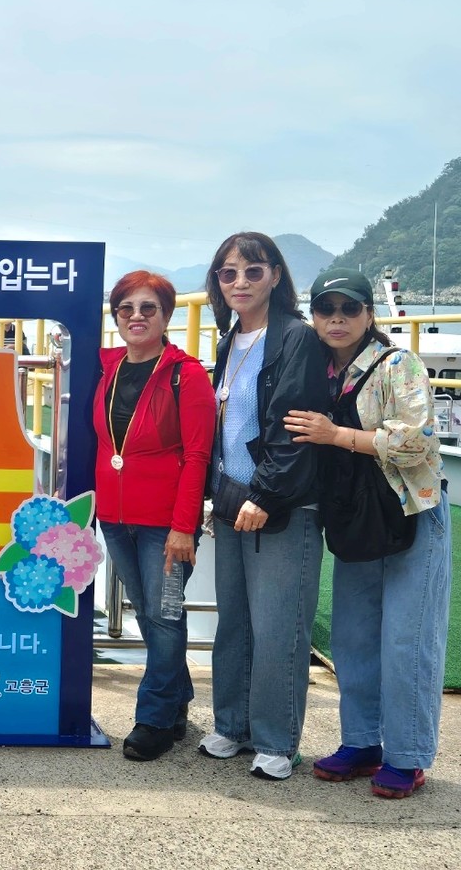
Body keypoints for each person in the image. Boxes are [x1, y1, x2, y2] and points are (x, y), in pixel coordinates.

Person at [283, 269, 451, 799]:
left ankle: (407, 755)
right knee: (355, 638)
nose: (337, 318)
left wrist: (339, 436)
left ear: (369, 314)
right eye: (326, 309)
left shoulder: (397, 363)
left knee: (408, 639)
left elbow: (422, 442)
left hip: (408, 513)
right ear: (313, 317)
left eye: (349, 309)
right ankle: (361, 741)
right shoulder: (316, 370)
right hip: (354, 516)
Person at [197, 232, 328, 781]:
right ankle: (232, 724)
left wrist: (266, 495)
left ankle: (276, 738)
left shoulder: (295, 338)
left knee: (279, 626)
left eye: (252, 271)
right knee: (235, 623)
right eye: (228, 274)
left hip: (282, 505)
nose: (240, 283)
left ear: (275, 275)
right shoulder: (231, 343)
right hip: (232, 502)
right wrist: (218, 492)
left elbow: (292, 428)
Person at [94, 272, 215, 761]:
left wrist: (184, 527)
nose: (136, 316)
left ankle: (154, 719)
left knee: (163, 617)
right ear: (116, 317)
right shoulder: (106, 368)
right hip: (115, 518)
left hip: (166, 525)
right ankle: (177, 700)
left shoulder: (187, 375)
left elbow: (198, 456)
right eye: (126, 308)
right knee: (149, 613)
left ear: (166, 315)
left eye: (148, 308)